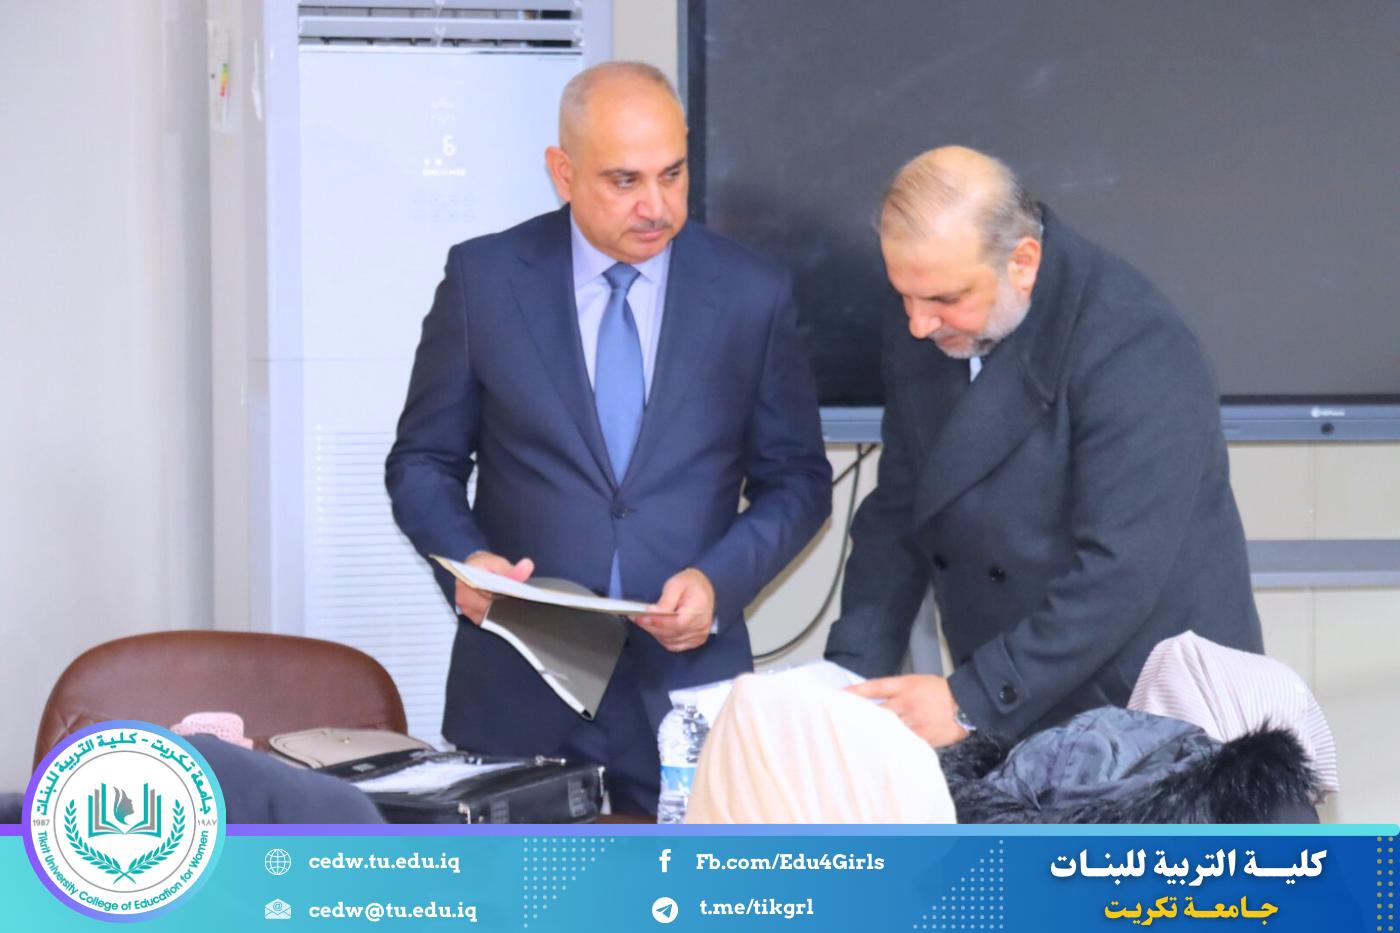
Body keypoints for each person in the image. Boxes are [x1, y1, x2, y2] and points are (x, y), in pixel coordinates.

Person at [385, 62, 831, 813]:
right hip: (520, 687)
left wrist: (719, 583)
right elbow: (423, 461)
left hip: (690, 696)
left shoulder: (750, 292)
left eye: (673, 174)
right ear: (563, 173)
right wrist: (467, 561)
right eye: (624, 181)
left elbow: (798, 480)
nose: (656, 206)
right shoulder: (484, 279)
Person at [824, 146, 1263, 747]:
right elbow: (901, 510)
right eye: (904, 295)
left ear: (1023, 262)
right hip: (1011, 691)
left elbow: (1117, 574)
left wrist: (967, 700)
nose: (918, 325)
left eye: (945, 300)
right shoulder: (927, 310)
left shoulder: (1136, 344)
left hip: (1146, 707)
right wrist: (849, 677)